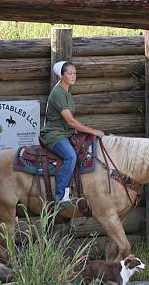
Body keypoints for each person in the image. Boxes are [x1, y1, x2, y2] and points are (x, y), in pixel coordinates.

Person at [40, 61, 105, 207]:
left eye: (75, 73)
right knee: (71, 156)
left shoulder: (67, 91)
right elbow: (70, 121)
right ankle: (60, 195)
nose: (73, 76)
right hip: (54, 134)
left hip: (66, 133)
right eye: (70, 73)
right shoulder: (58, 93)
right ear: (61, 75)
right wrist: (93, 131)